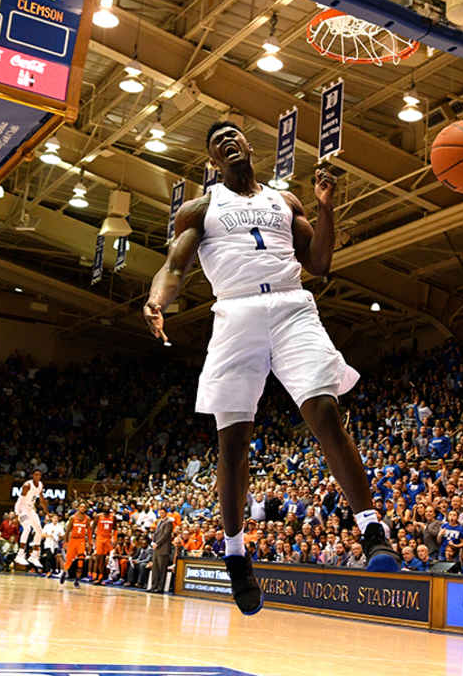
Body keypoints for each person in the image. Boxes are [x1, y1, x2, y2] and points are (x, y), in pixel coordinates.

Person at [143, 122, 398, 615]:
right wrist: (156, 300)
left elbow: (320, 261)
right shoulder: (202, 207)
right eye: (217, 142)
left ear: (251, 145)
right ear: (212, 160)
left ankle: (371, 529)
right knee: (233, 439)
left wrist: (325, 206)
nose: (228, 142)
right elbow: (174, 267)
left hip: (291, 305)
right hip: (235, 311)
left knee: (324, 410)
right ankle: (236, 554)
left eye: (233, 135)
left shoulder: (285, 201)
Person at [13, 469, 46, 568]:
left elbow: (42, 499)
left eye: (39, 475)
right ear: (32, 475)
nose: (37, 476)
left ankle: (34, 556)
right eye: (35, 474)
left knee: (39, 530)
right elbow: (20, 500)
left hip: (31, 509)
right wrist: (16, 514)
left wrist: (47, 512)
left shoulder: (40, 485)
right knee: (27, 528)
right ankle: (20, 555)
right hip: (22, 509)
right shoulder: (27, 485)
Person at [61, 503, 91, 587]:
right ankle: (64, 573)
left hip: (81, 541)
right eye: (81, 506)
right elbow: (67, 531)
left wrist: (89, 543)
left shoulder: (87, 519)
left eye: (84, 507)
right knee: (69, 560)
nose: (82, 508)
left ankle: (77, 581)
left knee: (81, 560)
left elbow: (89, 532)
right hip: (73, 540)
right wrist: (65, 542)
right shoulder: (72, 518)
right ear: (78, 508)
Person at [93, 506, 117, 584]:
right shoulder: (98, 516)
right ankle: (98, 577)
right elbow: (93, 527)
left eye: (108, 506)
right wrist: (92, 539)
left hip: (108, 539)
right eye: (105, 506)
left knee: (107, 559)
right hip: (100, 538)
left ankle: (105, 577)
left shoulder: (113, 517)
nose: (106, 508)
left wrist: (115, 538)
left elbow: (115, 529)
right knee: (99, 558)